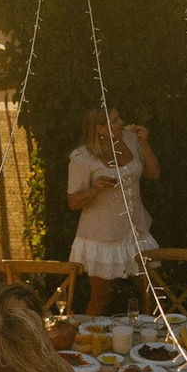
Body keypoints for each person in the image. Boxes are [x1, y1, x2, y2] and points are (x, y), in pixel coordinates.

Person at [66, 106, 160, 315]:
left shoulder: (131, 139)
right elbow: (72, 202)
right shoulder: (82, 157)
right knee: (101, 296)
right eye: (114, 120)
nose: (121, 123)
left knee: (151, 289)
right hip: (101, 235)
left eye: (119, 118)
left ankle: (153, 338)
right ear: (100, 128)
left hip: (135, 228)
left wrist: (144, 143)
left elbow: (154, 174)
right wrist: (95, 189)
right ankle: (87, 341)